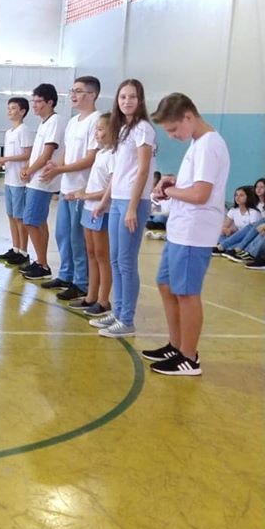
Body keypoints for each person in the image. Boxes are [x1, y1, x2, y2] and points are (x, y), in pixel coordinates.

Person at [142, 93, 230, 375]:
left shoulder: (208, 145)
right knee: (166, 284)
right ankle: (176, 344)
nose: (171, 136)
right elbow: (195, 185)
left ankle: (189, 357)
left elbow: (201, 194)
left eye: (173, 129)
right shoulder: (198, 143)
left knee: (187, 293)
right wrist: (175, 182)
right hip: (181, 229)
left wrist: (168, 190)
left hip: (195, 232)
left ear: (188, 117)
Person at [91, 79, 156, 338]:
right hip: (117, 200)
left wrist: (131, 207)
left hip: (134, 202)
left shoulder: (143, 129)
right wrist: (105, 200)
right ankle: (117, 313)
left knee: (127, 262)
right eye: (122, 97)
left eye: (132, 97)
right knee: (116, 259)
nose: (126, 101)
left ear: (140, 100)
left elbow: (142, 170)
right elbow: (119, 171)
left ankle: (126, 320)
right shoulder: (122, 130)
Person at [40, 76, 100, 301]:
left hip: (83, 189)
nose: (73, 95)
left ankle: (81, 282)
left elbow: (91, 158)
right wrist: (55, 165)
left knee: (78, 238)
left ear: (92, 94)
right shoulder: (74, 122)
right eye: (72, 90)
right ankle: (66, 275)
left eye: (79, 91)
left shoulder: (97, 120)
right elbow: (66, 152)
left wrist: (60, 171)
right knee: (63, 233)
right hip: (67, 187)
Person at [20, 84, 67, 281]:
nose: (35, 105)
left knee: (30, 220)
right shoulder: (43, 123)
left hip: (42, 180)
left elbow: (47, 153)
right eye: (34, 101)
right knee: (38, 221)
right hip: (34, 179)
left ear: (50, 102)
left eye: (39, 101)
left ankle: (42, 263)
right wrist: (28, 168)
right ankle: (41, 261)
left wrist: (29, 170)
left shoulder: (55, 121)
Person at [70, 112, 114, 317]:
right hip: (89, 208)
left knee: (102, 256)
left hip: (101, 210)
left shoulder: (114, 155)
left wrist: (89, 195)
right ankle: (91, 296)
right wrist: (81, 194)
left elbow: (111, 189)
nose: (96, 133)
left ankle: (103, 301)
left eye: (100, 129)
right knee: (91, 253)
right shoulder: (101, 154)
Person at [0, 97, 33, 267]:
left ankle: (24, 252)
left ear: (22, 111)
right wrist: (1, 162)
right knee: (11, 216)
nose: (9, 111)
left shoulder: (24, 130)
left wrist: (6, 158)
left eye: (13, 108)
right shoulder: (9, 132)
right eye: (8, 108)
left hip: (19, 181)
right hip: (9, 179)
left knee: (20, 218)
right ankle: (15, 248)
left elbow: (27, 154)